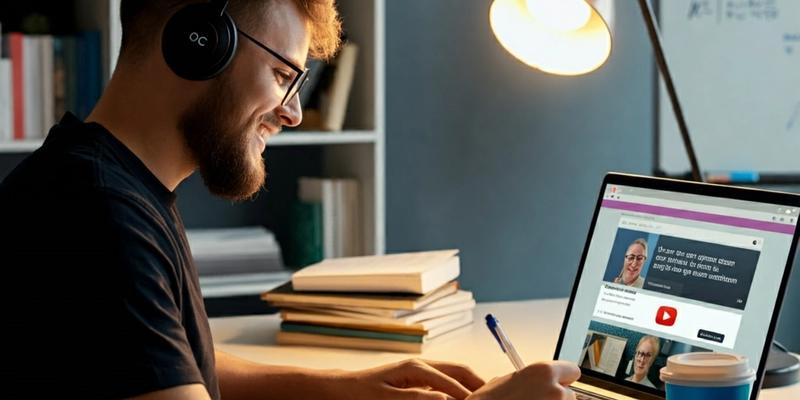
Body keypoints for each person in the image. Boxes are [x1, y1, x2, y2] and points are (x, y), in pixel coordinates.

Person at [0, 0, 581, 398]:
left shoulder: (111, 181)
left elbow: (163, 357)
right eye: (282, 75)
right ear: (199, 42)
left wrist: (343, 387)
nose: (294, 113)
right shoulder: (97, 216)